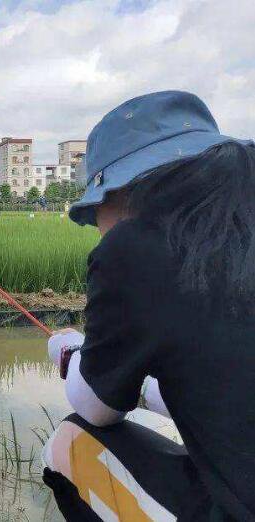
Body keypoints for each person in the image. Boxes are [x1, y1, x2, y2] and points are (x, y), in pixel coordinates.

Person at [42, 91, 255, 520]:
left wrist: (68, 351)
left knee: (68, 441)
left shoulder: (135, 246)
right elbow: (226, 386)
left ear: (119, 195)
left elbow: (98, 410)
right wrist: (141, 388)